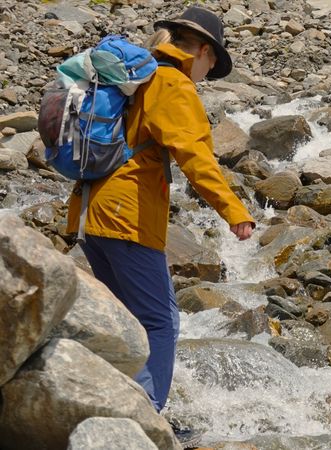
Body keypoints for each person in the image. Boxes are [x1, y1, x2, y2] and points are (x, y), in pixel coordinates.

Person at [65, 6, 254, 423]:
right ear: (203, 51)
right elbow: (194, 155)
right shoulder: (172, 83)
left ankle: (112, 412)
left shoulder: (139, 78)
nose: (207, 73)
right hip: (126, 216)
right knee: (160, 321)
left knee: (126, 320)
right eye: (212, 63)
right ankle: (145, 420)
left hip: (90, 212)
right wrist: (234, 211)